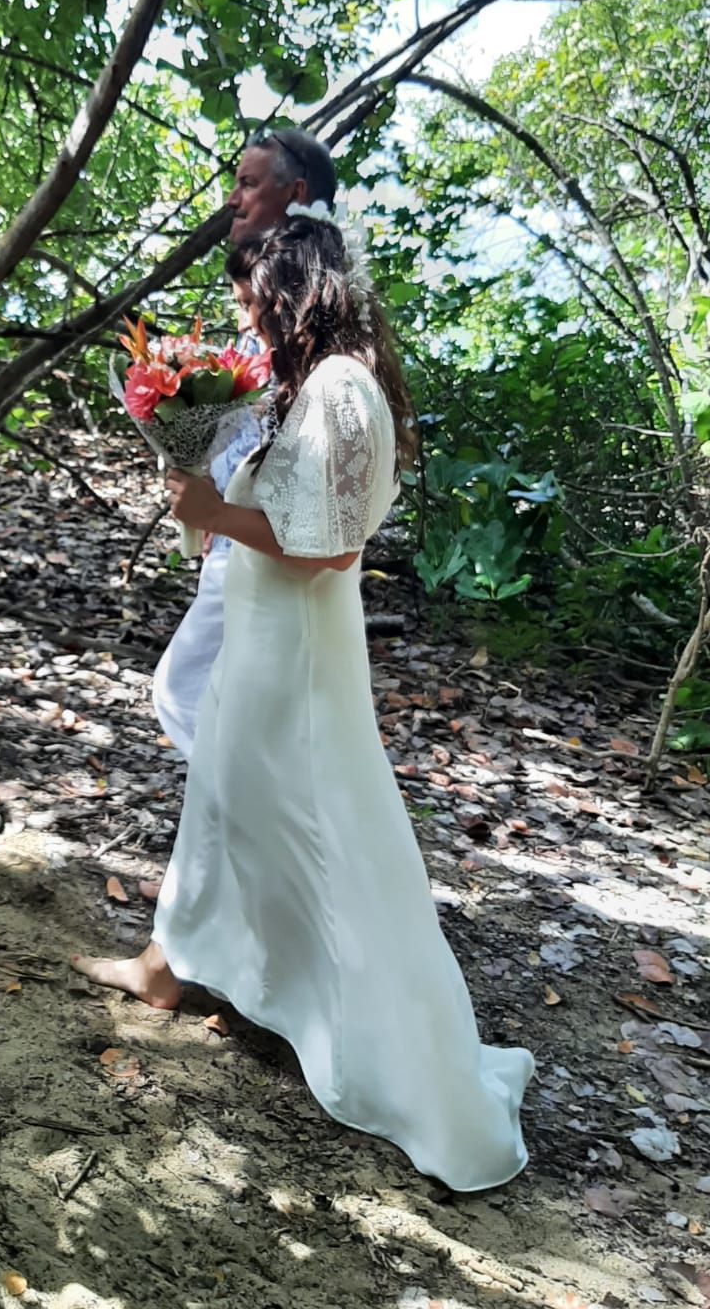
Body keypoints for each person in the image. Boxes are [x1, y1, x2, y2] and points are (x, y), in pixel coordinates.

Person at [76, 210, 534, 1192]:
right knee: (229, 811)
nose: (245, 324)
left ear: (294, 294)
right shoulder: (308, 387)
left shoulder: (339, 391)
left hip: (294, 656)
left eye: (252, 304)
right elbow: (278, 512)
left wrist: (211, 512)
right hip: (264, 641)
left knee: (321, 838)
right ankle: (183, 969)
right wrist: (198, 476)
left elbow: (325, 545)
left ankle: (412, 1066)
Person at [152, 128, 338, 758]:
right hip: (241, 555)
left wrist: (221, 514)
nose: (232, 199)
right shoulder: (273, 319)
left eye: (249, 183)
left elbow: (327, 528)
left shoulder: (323, 343)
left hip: (282, 572)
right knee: (202, 699)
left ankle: (250, 823)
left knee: (189, 695)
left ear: (297, 193)